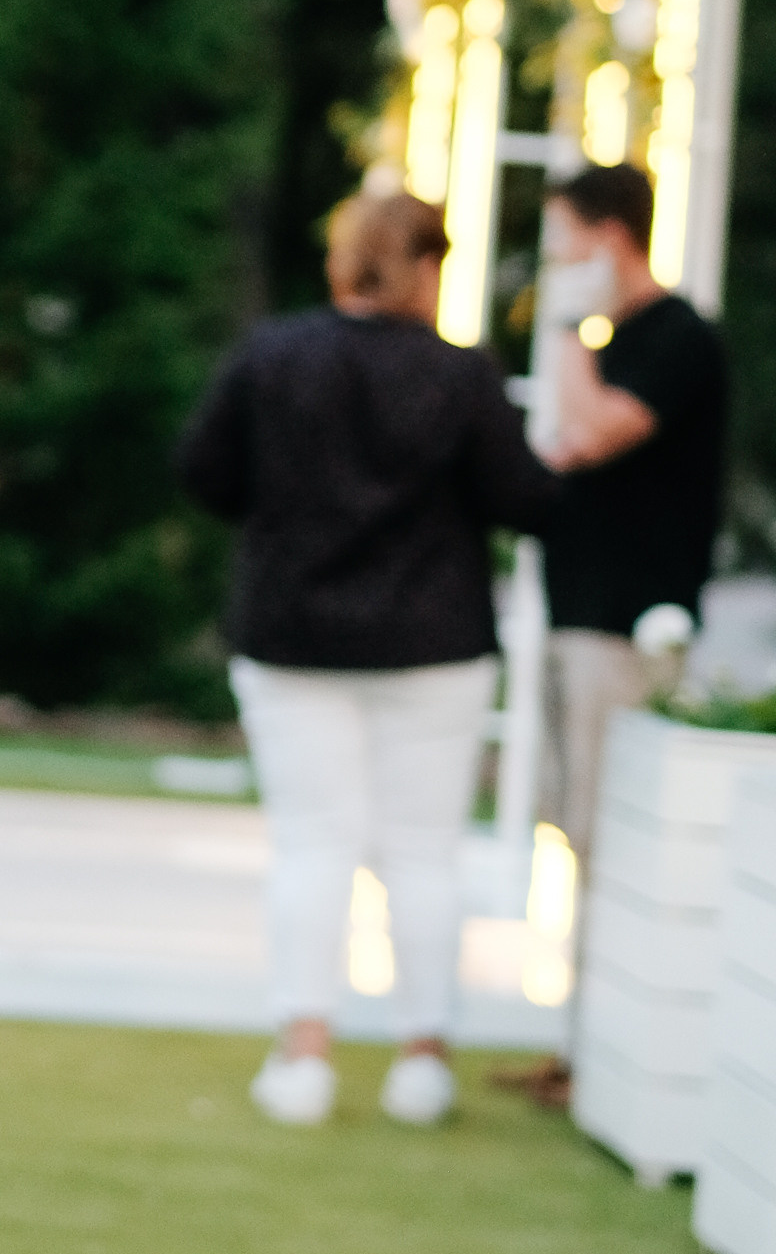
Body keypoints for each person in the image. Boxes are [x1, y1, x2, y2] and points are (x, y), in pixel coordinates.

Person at [176, 189, 557, 1129]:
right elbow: (523, 499)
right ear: (428, 266)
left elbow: (202, 471)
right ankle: (421, 1059)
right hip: (431, 639)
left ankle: (302, 1055)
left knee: (313, 845)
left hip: (293, 631)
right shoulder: (460, 376)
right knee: (422, 853)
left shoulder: (272, 356)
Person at [494, 159, 730, 1106]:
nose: (555, 261)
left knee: (611, 836)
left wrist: (560, 329)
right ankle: (576, 1045)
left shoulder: (675, 340)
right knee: (576, 831)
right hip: (574, 613)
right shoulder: (614, 339)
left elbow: (589, 433)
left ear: (609, 236)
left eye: (563, 240)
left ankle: (603, 1056)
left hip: (624, 626)